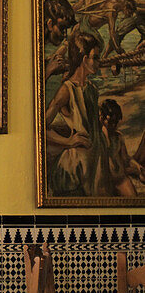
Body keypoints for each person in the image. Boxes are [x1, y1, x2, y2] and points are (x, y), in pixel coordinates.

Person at [45, 34, 102, 197]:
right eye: (95, 57)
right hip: (74, 168)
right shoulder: (66, 90)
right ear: (84, 59)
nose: (99, 62)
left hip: (94, 163)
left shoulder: (92, 89)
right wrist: (68, 141)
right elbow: (40, 126)